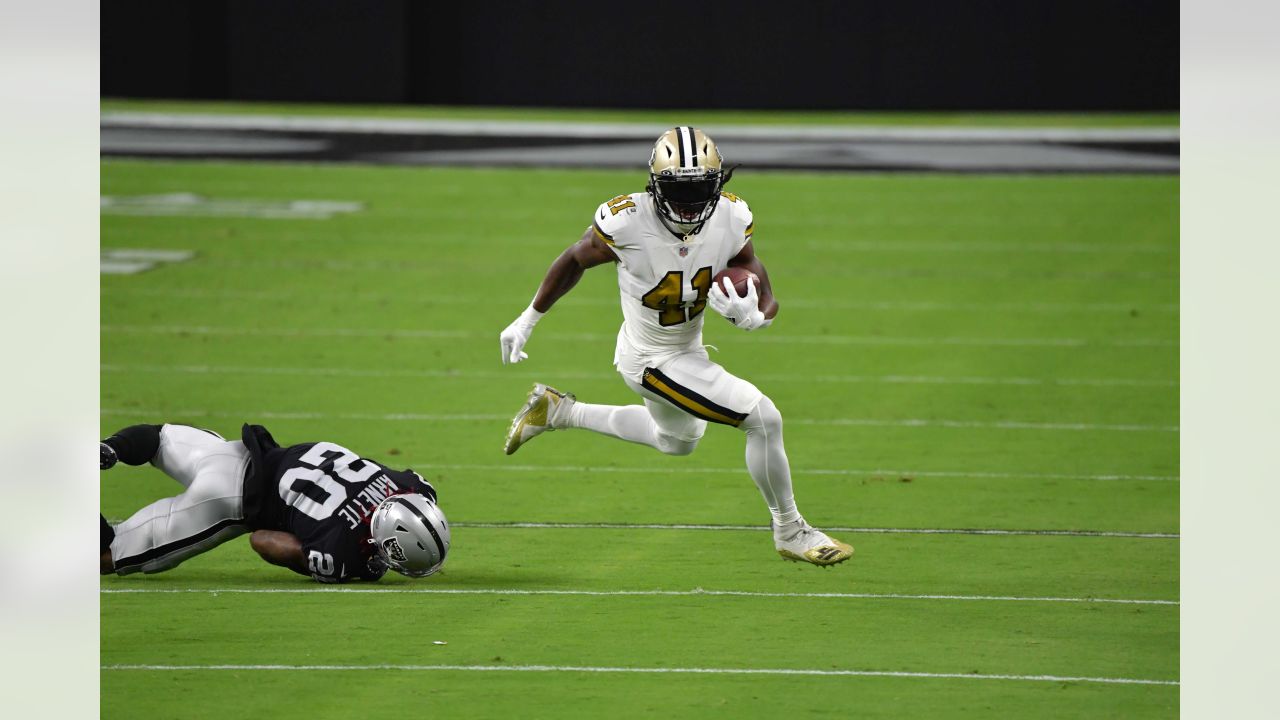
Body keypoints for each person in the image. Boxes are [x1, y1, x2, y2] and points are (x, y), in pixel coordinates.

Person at [498, 126, 853, 567]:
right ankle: (790, 529)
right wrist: (527, 318)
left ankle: (558, 411)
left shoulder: (732, 216)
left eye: (701, 188)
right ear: (655, 184)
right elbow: (575, 258)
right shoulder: (625, 219)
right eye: (678, 190)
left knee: (677, 441)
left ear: (718, 184)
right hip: (649, 358)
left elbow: (757, 280)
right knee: (763, 418)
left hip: (685, 350)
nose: (689, 203)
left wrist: (756, 316)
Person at [99, 422, 450, 583]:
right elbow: (262, 541)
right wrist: (317, 561)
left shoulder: (412, 487)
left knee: (158, 438)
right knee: (108, 556)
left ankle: (110, 447)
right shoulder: (344, 552)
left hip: (240, 451)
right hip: (226, 499)